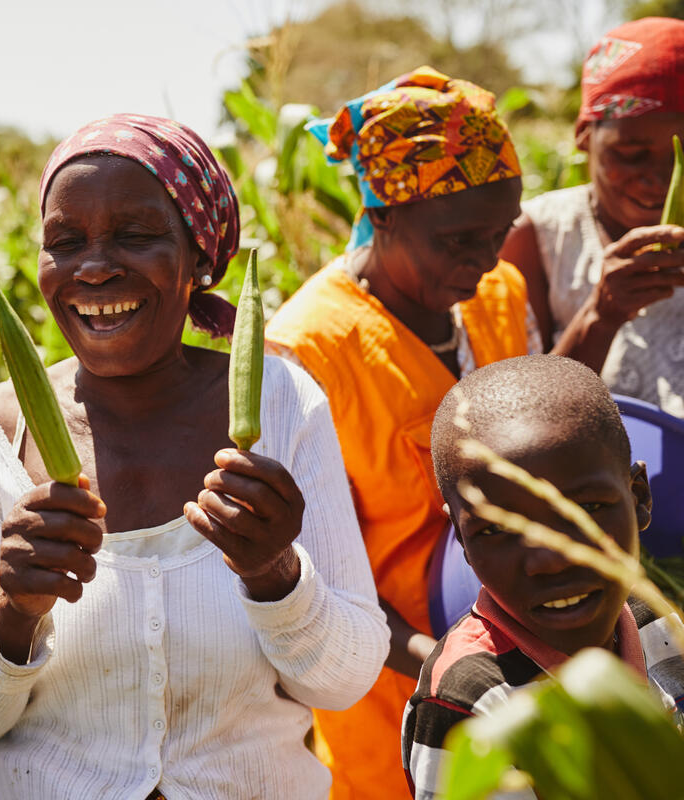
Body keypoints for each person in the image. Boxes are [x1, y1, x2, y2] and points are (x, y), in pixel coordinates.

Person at [0, 114, 389, 799]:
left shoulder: (282, 405)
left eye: (136, 236)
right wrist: (11, 612)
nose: (96, 266)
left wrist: (277, 574)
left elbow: (344, 682)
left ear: (198, 257)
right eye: (65, 242)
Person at [263, 67, 536, 799]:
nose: (484, 260)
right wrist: (457, 666)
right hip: (394, 694)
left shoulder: (498, 294)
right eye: (458, 240)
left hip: (527, 664)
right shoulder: (307, 351)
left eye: (500, 232)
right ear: (382, 215)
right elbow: (308, 574)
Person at [402, 353, 684, 799]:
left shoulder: (655, 621)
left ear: (640, 498)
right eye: (495, 529)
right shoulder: (469, 706)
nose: (550, 560)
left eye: (585, 509)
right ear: (461, 542)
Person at [499, 17, 684, 417]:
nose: (660, 178)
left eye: (682, 157)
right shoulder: (537, 237)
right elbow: (522, 424)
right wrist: (600, 317)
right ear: (585, 136)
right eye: (630, 154)